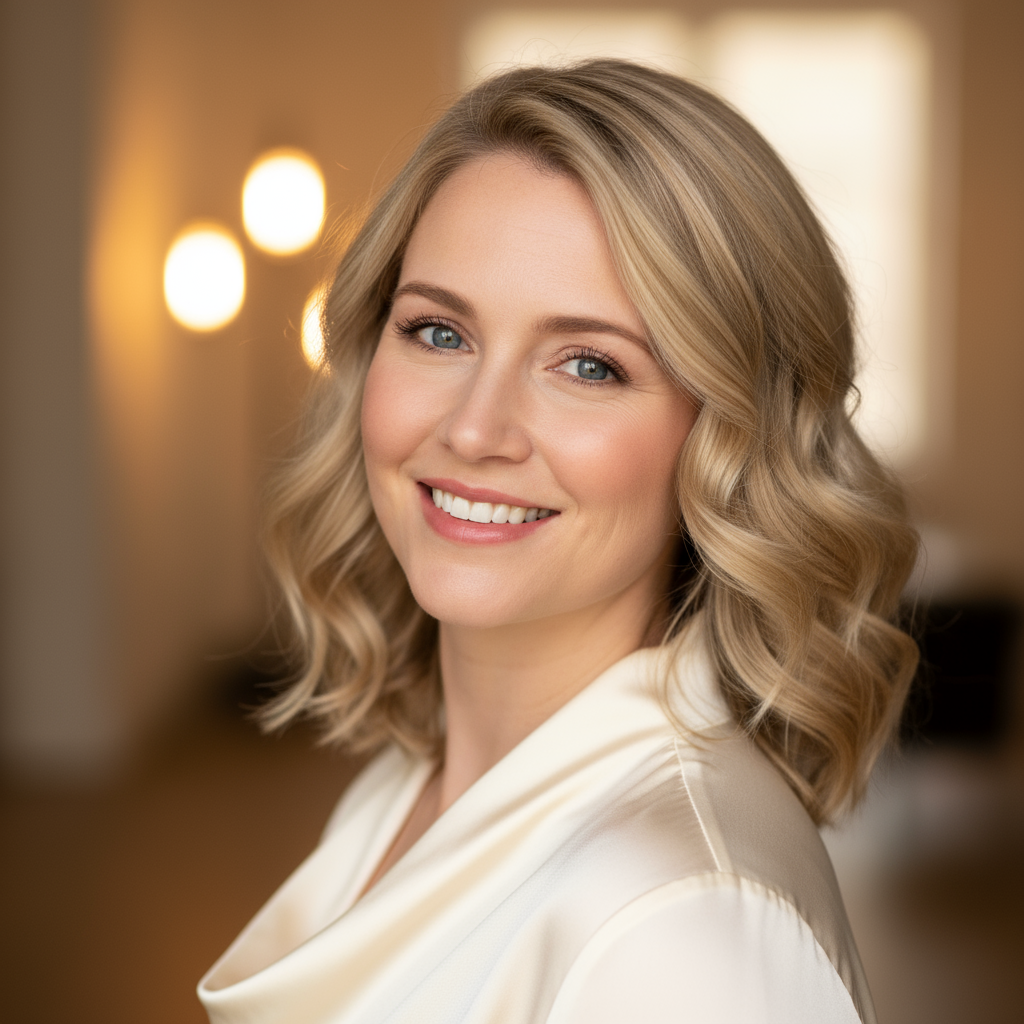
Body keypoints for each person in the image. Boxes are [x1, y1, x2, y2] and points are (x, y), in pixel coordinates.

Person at [198, 59, 918, 1023]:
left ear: (728, 438)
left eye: (588, 364)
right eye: (439, 333)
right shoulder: (405, 790)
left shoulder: (682, 931)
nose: (474, 429)